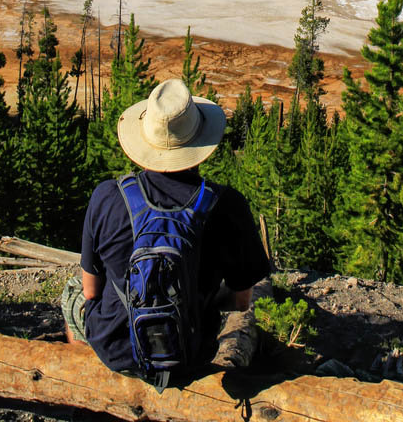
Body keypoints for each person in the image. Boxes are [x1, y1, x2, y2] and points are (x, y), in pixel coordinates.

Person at [62, 78, 270, 376]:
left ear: (145, 140)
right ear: (200, 142)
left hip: (117, 351)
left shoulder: (107, 196)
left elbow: (91, 291)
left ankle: (86, 380)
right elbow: (241, 301)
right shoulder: (228, 205)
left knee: (73, 294)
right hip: (191, 355)